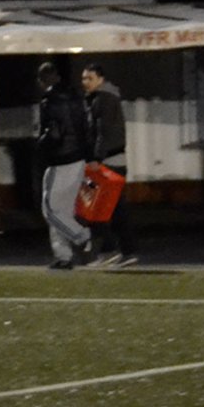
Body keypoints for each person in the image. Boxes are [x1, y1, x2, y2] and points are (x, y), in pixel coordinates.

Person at [80, 62, 139, 267]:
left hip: (108, 163)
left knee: (99, 208)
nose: (85, 82)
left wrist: (96, 157)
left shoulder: (103, 99)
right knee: (110, 209)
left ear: (100, 79)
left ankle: (114, 251)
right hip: (112, 161)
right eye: (84, 78)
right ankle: (117, 251)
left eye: (89, 78)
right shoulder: (101, 98)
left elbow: (103, 132)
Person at [35, 61, 92, 269]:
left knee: (49, 209)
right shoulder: (77, 97)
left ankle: (82, 237)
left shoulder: (49, 101)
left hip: (60, 159)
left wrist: (41, 144)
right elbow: (86, 127)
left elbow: (54, 133)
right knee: (63, 211)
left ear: (43, 80)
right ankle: (63, 256)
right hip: (79, 158)